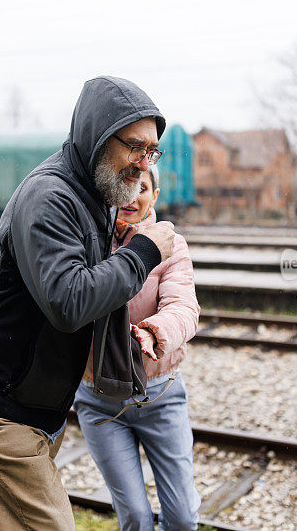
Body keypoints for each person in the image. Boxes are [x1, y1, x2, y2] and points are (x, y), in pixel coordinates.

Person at [0, 76, 177, 530]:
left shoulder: (98, 196)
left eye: (151, 152)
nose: (142, 163)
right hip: (1, 401)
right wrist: (144, 252)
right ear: (96, 137)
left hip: (34, 403)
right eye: (134, 146)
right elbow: (67, 301)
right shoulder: (50, 197)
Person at [74, 166, 201, 530]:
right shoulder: (89, 239)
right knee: (135, 517)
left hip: (160, 396)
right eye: (124, 185)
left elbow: (185, 308)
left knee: (182, 519)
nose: (131, 196)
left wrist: (152, 332)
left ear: (154, 196)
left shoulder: (171, 245)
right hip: (98, 401)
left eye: (141, 187)